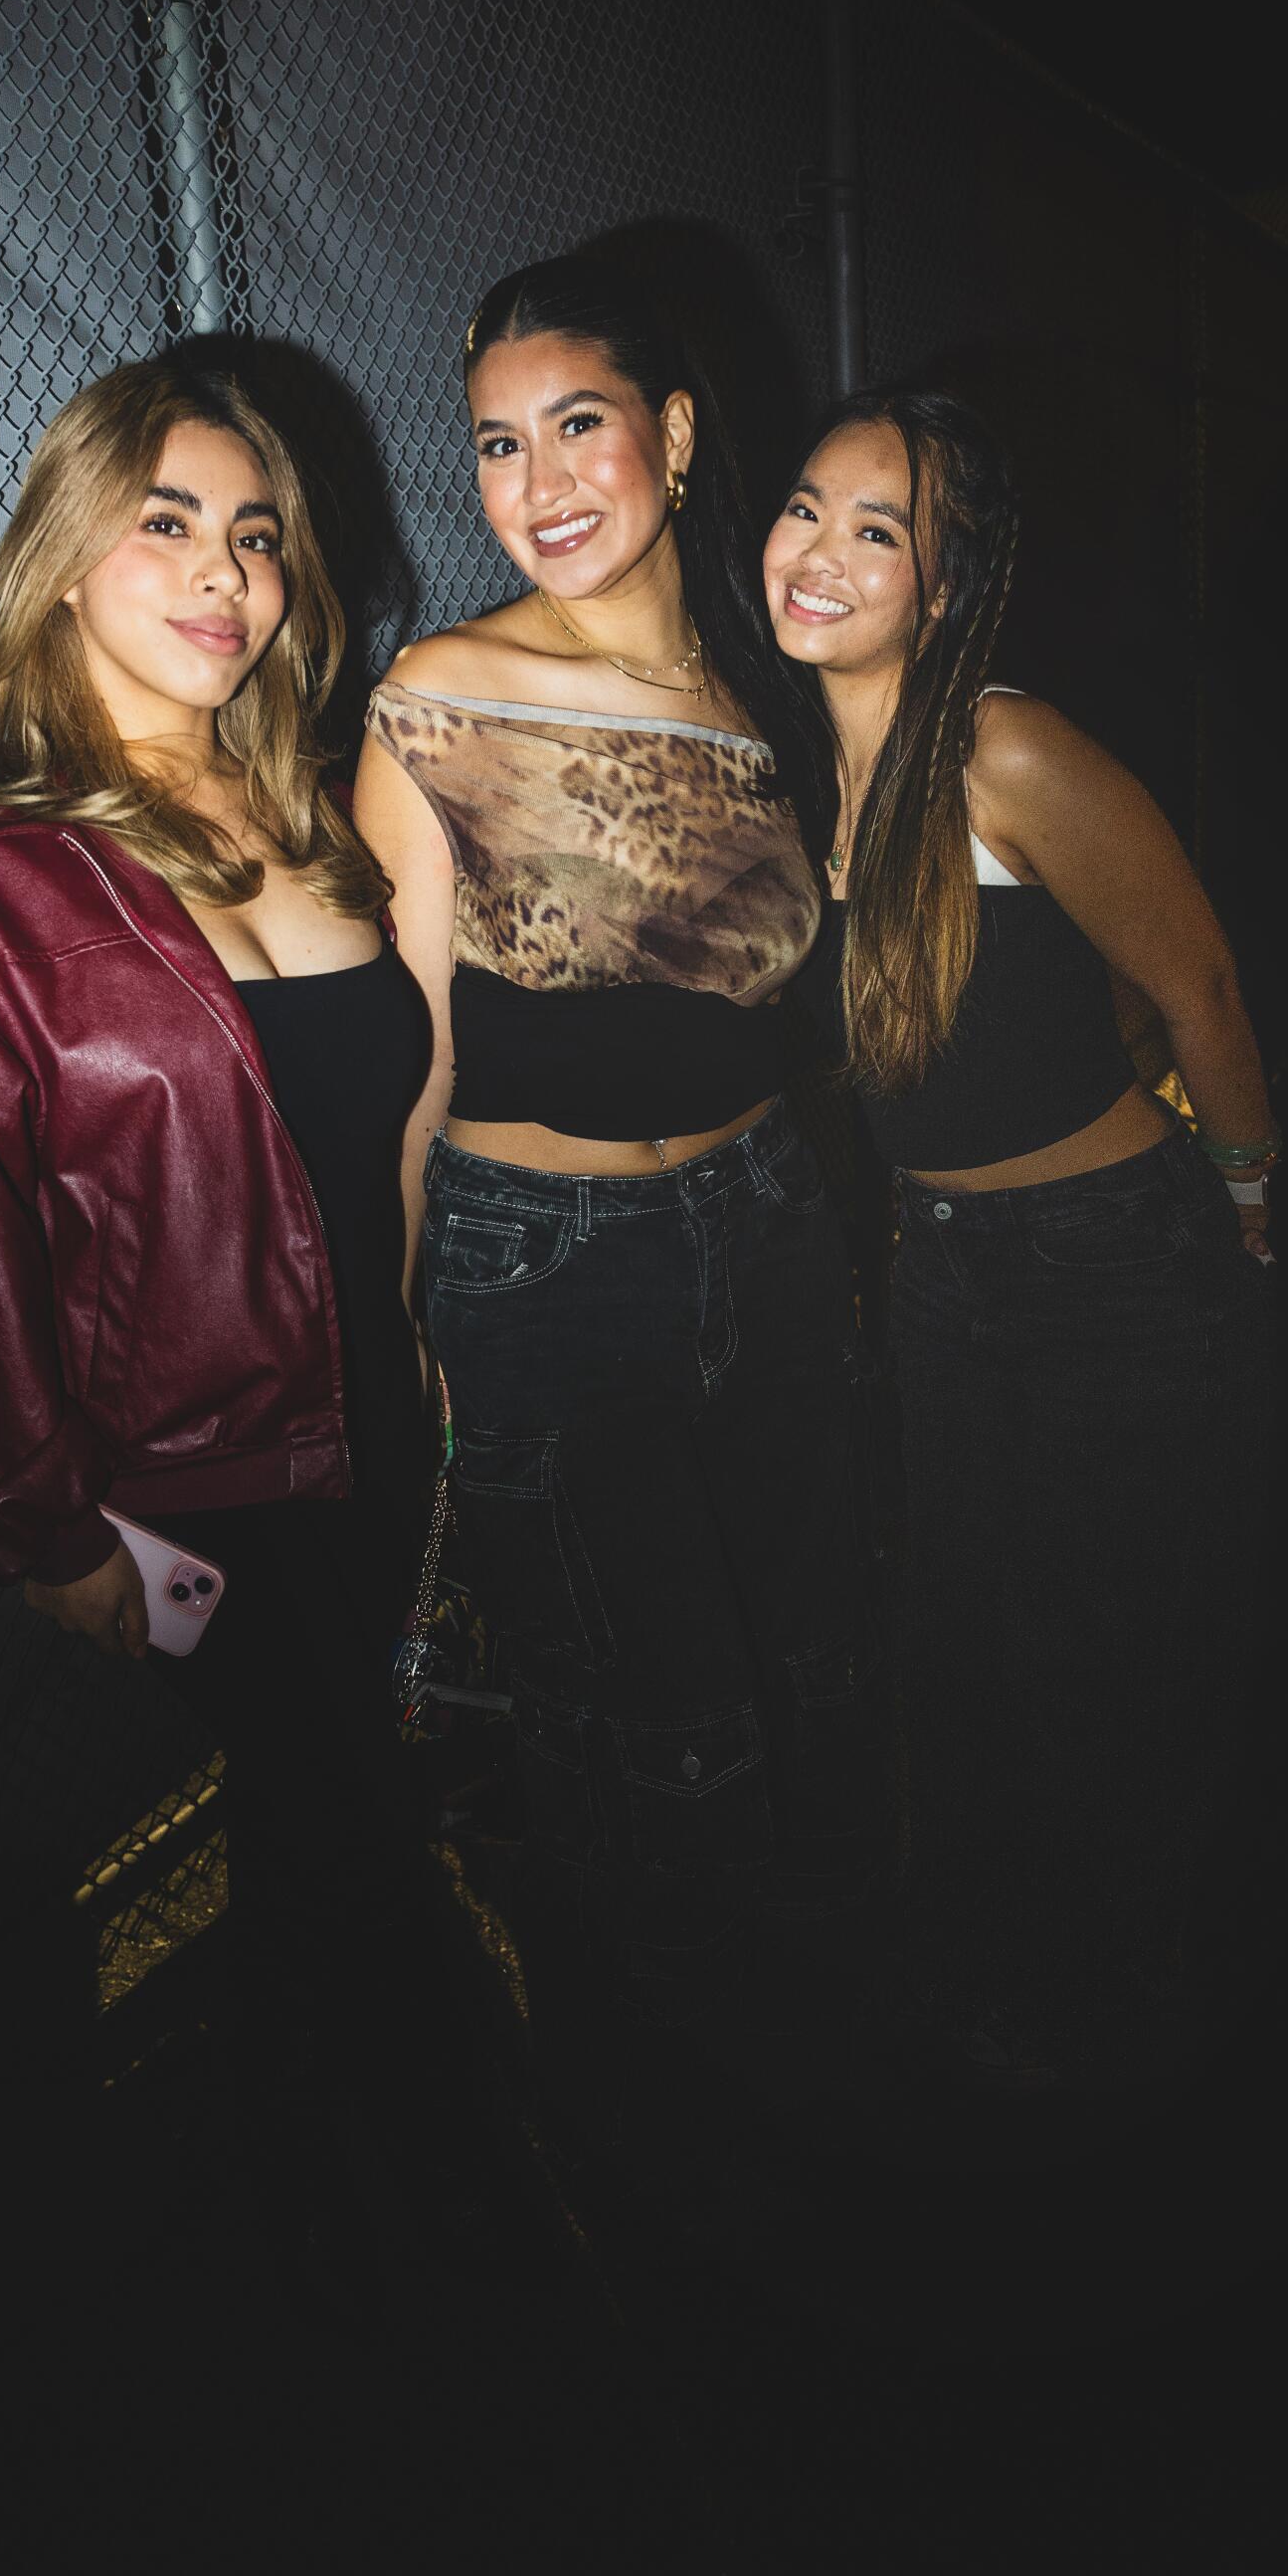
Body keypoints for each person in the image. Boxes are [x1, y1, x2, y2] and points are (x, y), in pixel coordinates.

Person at [0, 358, 443, 2177]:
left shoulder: (320, 815)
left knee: (346, 1816)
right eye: (165, 523)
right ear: (65, 561)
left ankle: (353, 2170)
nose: (222, 574)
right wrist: (38, 1528)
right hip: (206, 1483)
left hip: (390, 1419)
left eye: (255, 536)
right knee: (343, 1828)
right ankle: (354, 2215)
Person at [353, 252, 883, 2164]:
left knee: (801, 1646)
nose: (537, 480)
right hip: (539, 1268)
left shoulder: (773, 681)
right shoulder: (439, 698)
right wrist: (393, 1323)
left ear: (669, 430)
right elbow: (403, 1054)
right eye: (496, 443)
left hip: (768, 1219)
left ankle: (808, 2054)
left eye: (578, 423)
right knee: (639, 1708)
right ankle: (652, 2105)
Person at [768, 383, 1279, 2093]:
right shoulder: (817, 780)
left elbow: (1195, 980)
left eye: (878, 530)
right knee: (967, 1639)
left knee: (1104, 1656)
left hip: (1111, 1268)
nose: (820, 553)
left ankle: (1117, 2006)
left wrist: (1250, 1212)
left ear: (943, 580)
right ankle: (983, 1956)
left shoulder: (1001, 742)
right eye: (807, 508)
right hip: (945, 1277)